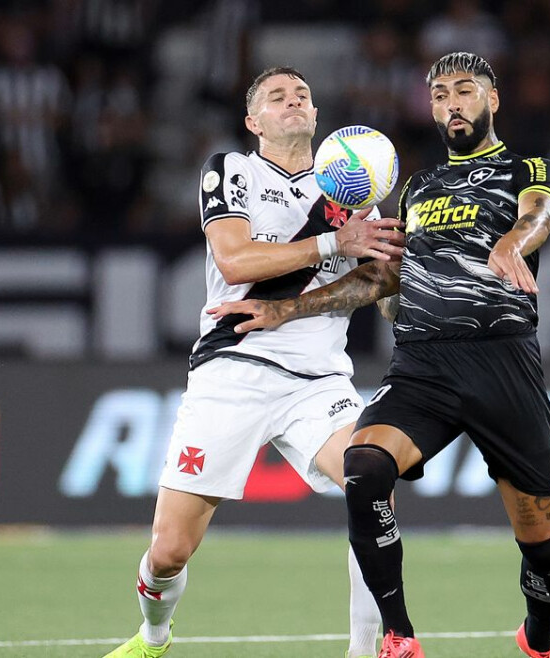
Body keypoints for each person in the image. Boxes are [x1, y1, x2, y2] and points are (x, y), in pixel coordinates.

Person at [209, 52, 550, 658]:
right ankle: (398, 636)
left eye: (465, 91)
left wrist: (515, 240)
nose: (452, 104)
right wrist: (285, 309)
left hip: (503, 362)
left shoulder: (528, 168)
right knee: (364, 465)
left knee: (543, 537)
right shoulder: (417, 189)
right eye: (440, 95)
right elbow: (382, 279)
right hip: (423, 366)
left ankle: (540, 635)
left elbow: (543, 212)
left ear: (492, 99)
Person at [105, 66, 405, 658]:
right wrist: (332, 243)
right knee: (169, 551)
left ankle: (365, 650)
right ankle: (154, 636)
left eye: (302, 95)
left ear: (316, 116)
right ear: (253, 121)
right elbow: (236, 261)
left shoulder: (355, 196)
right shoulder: (231, 171)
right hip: (233, 369)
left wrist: (391, 279)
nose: (293, 101)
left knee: (373, 481)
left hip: (318, 380)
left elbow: (378, 285)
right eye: (277, 96)